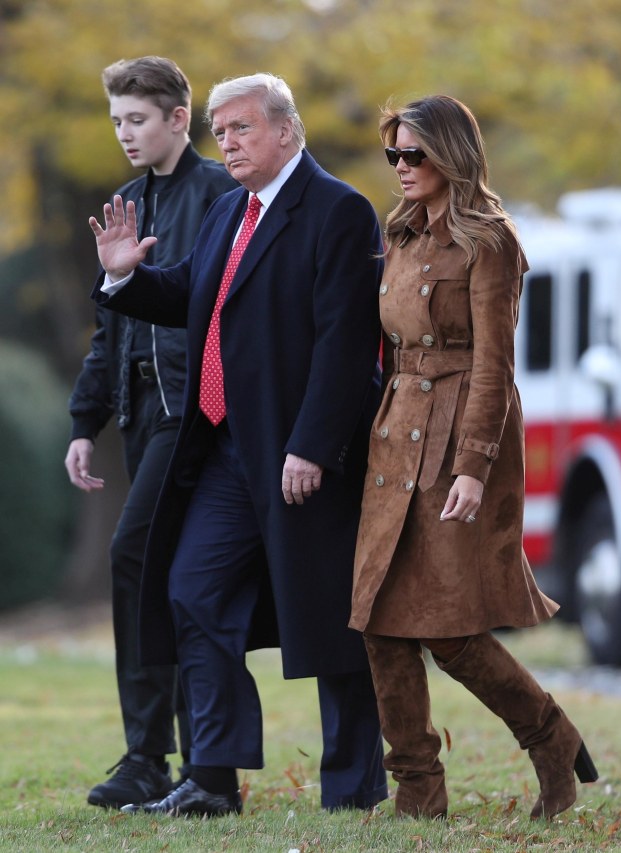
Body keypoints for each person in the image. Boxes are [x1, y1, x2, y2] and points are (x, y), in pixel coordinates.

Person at [87, 72, 387, 817]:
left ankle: (351, 786)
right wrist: (126, 279)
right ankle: (213, 779)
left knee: (330, 622)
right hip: (222, 451)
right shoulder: (229, 210)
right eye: (220, 132)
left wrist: (313, 445)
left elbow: (346, 342)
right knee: (193, 593)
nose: (227, 143)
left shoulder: (339, 210)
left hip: (302, 455)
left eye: (242, 129)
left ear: (287, 130)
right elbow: (191, 294)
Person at [349, 94, 599, 821]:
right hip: (396, 434)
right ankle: (418, 794)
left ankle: (551, 737)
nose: (400, 167)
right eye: (393, 153)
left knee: (448, 627)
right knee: (379, 619)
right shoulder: (398, 235)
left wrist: (473, 464)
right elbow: (391, 348)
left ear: (452, 155)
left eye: (414, 154)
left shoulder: (490, 241)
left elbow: (496, 366)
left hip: (459, 435)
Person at [65, 56, 236, 809]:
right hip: (139, 418)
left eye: (136, 119)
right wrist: (84, 421)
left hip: (196, 419)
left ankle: (156, 756)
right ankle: (178, 760)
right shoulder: (125, 205)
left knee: (135, 554)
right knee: (161, 574)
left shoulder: (224, 197)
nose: (124, 134)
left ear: (176, 118)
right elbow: (109, 333)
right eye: (115, 122)